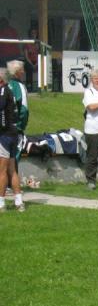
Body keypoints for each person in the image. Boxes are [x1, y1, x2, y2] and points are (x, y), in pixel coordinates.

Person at [6, 61, 28, 210]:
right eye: (22, 70)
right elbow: (24, 109)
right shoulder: (19, 86)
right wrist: (21, 125)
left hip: (4, 128)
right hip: (15, 129)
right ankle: (11, 187)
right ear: (18, 72)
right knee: (14, 158)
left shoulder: (6, 85)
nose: (24, 72)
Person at [0, 69, 21, 212]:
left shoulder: (3, 91)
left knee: (2, 171)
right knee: (12, 170)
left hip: (5, 135)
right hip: (13, 134)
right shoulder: (10, 90)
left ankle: (1, 203)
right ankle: (19, 202)